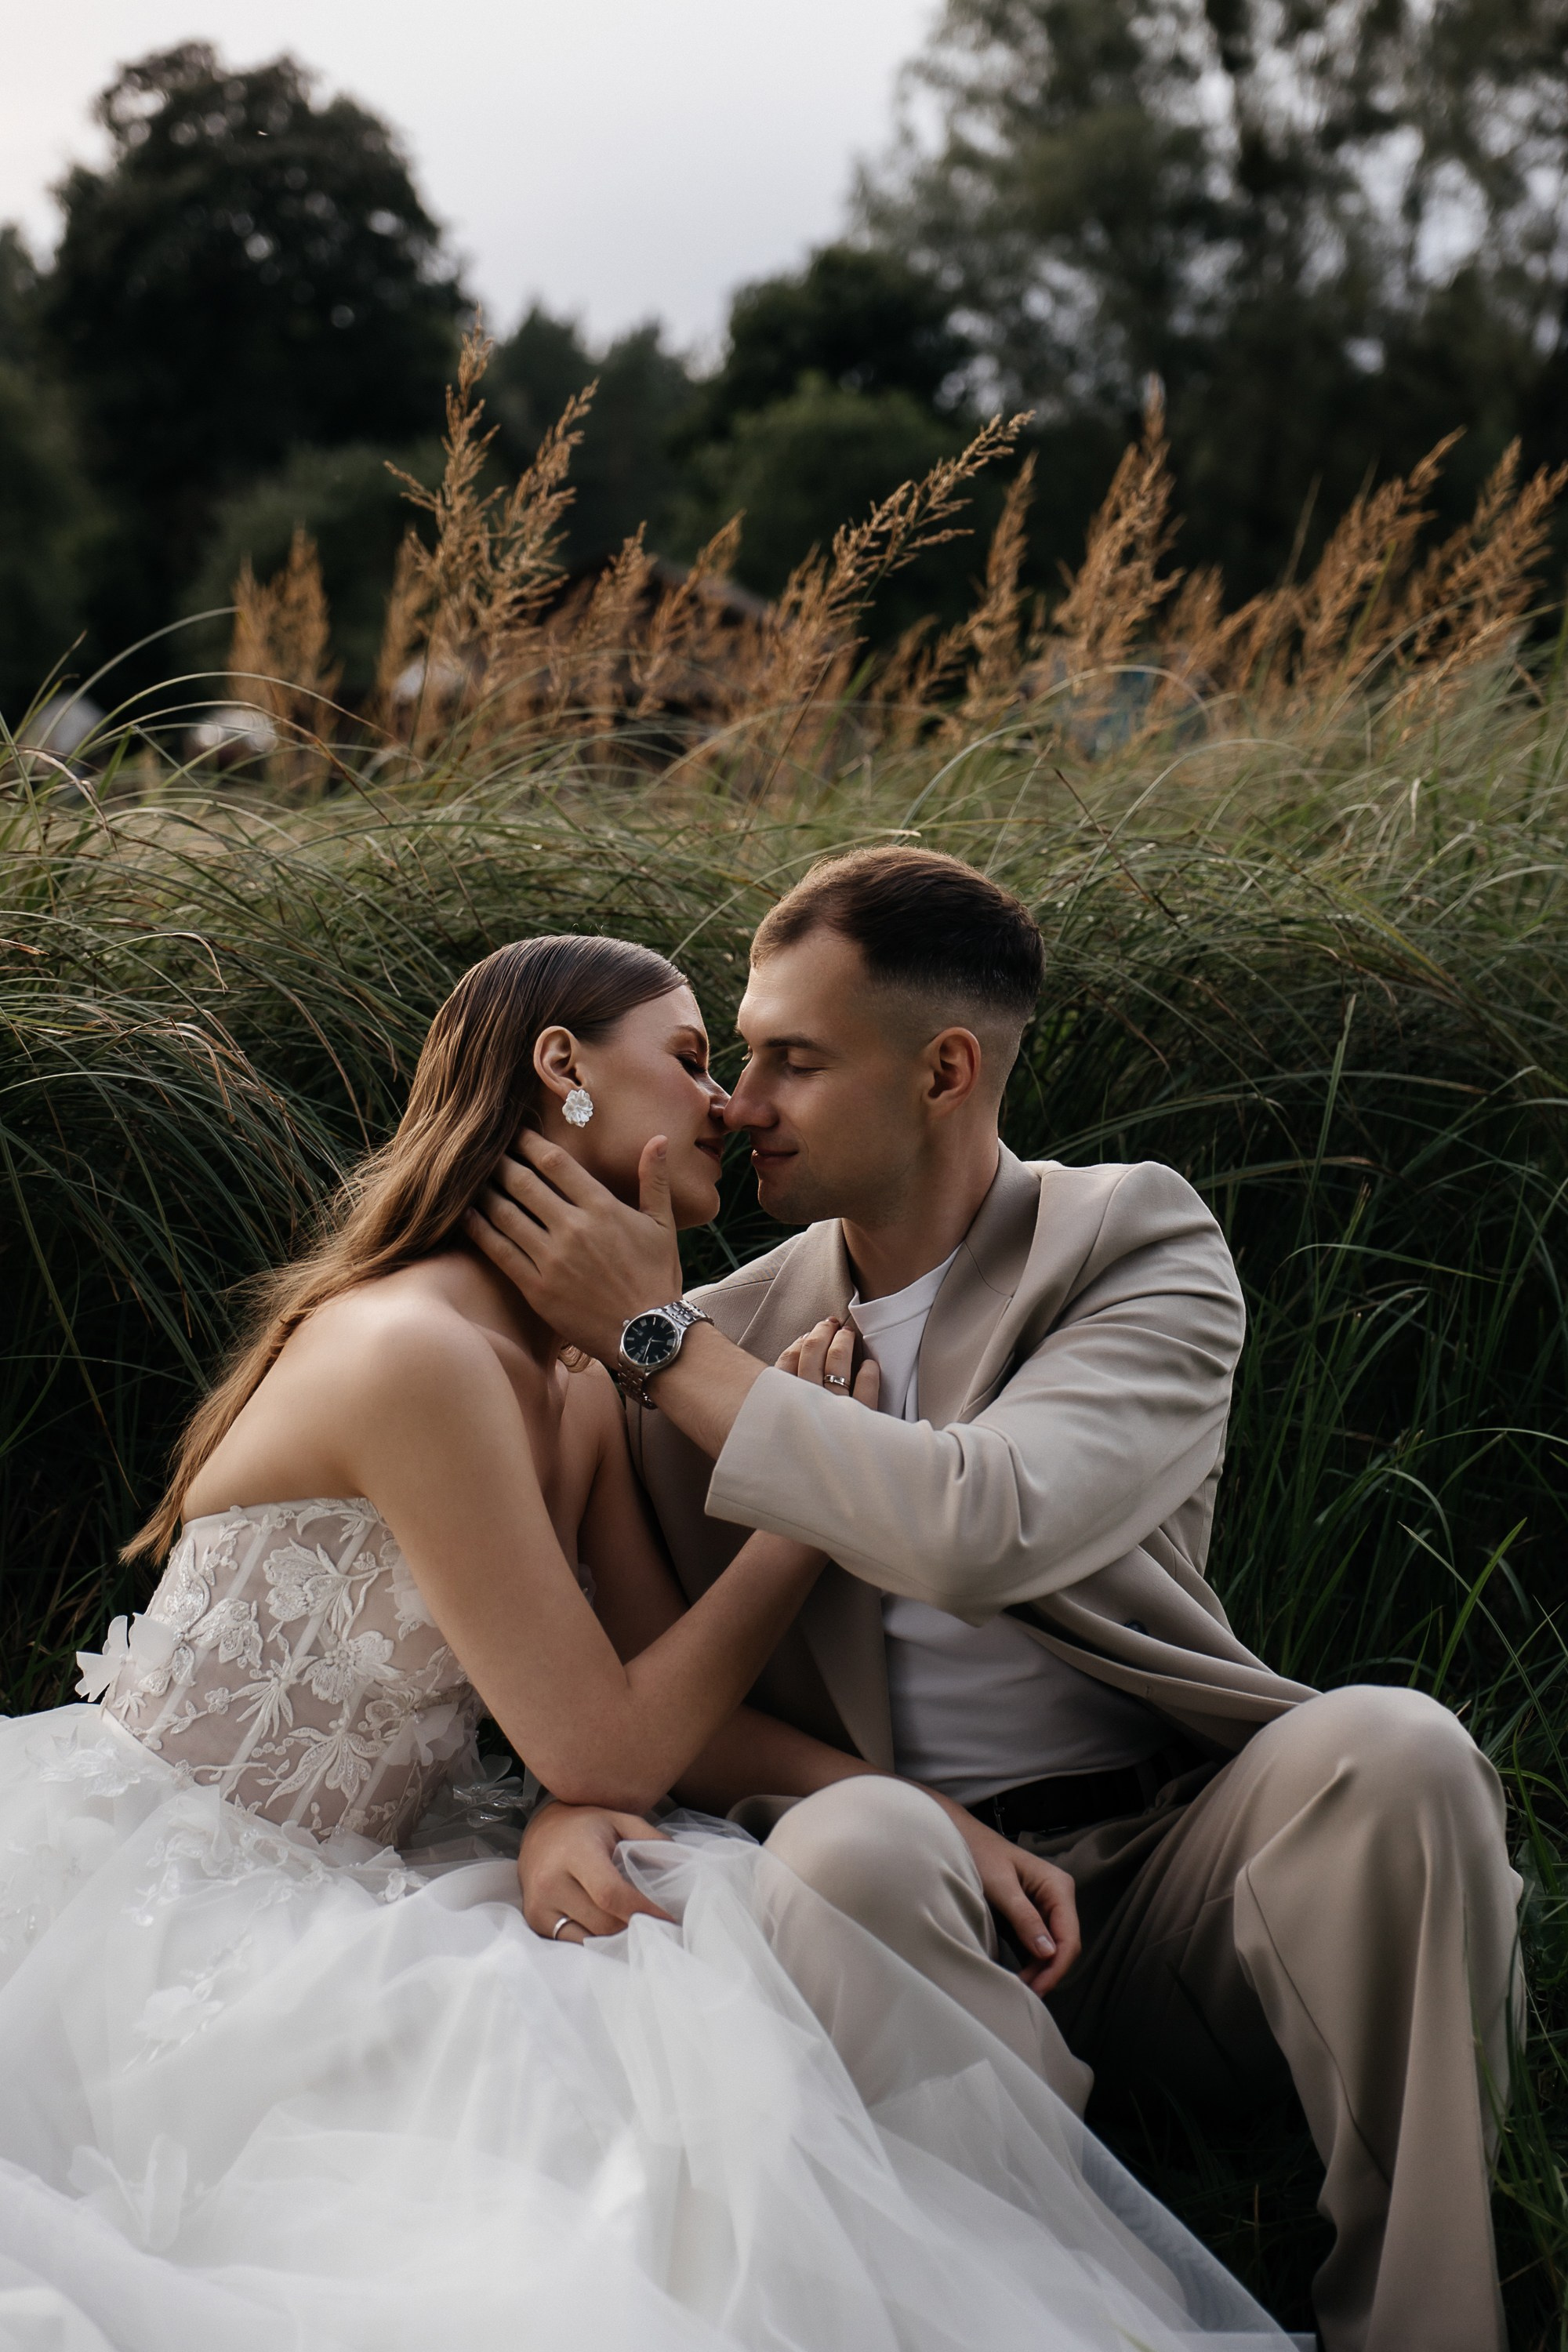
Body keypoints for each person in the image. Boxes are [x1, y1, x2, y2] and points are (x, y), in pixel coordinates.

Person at [0, 932, 1292, 2352]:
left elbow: (654, 1702)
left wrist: (907, 1805)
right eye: (689, 1058)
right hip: (189, 1894)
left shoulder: (572, 1376)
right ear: (561, 1070)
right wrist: (808, 1515)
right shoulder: (416, 1353)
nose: (729, 1107)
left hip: (386, 1856)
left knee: (701, 1983)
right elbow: (604, 1742)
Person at [471, 848, 1522, 2352]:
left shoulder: (1129, 1246)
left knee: (1404, 1750)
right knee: (854, 1844)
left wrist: (651, 1340)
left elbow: (984, 1523)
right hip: (909, 1906)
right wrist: (567, 1801)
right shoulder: (709, 1333)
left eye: (794, 1060)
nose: (739, 1101)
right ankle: (1104, 2304)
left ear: (945, 1070)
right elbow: (626, 1677)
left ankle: (1428, 2326)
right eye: (740, 1053)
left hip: (1175, 1873)